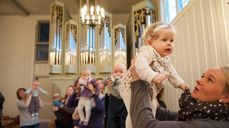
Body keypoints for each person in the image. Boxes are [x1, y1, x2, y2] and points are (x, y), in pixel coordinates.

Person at [119, 22, 189, 128]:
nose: (169, 43)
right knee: (134, 110)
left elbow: (172, 74)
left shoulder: (166, 60)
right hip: (129, 87)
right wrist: (152, 76)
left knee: (152, 110)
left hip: (148, 90)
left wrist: (181, 84)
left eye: (172, 40)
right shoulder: (148, 51)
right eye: (164, 40)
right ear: (150, 42)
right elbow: (140, 65)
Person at [130, 65, 229, 128]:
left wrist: (138, 81)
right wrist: (152, 89)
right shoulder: (199, 114)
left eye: (210, 80)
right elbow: (161, 115)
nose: (199, 80)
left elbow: (145, 126)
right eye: (203, 76)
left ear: (226, 97)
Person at [106, 63, 127, 128]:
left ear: (126, 73)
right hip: (113, 105)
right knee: (111, 120)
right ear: (112, 73)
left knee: (123, 122)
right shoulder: (110, 80)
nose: (118, 74)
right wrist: (108, 90)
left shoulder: (127, 82)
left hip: (123, 105)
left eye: (121, 72)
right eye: (115, 72)